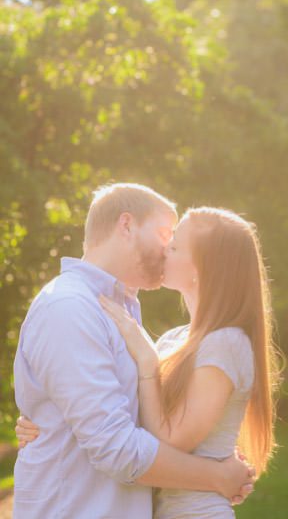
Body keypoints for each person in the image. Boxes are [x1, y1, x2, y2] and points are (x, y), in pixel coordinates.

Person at [12, 184, 256, 518]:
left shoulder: (121, 311)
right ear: (126, 226)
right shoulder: (69, 308)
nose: (168, 246)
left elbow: (145, 420)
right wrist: (217, 476)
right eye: (163, 233)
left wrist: (218, 455)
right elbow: (117, 448)